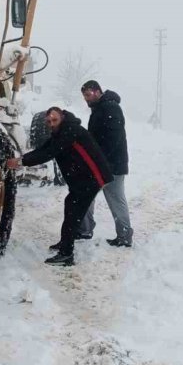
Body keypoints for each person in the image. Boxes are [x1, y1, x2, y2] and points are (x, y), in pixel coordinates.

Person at [7, 107, 113, 266]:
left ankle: (66, 254)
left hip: (91, 179)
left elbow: (49, 152)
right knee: (70, 207)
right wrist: (23, 158)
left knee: (72, 213)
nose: (51, 124)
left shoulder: (70, 130)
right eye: (49, 121)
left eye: (54, 120)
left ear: (62, 117)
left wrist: (21, 162)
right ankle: (65, 244)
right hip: (82, 179)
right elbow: (44, 148)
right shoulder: (61, 131)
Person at [77, 80, 133, 246]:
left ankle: (124, 235)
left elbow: (112, 139)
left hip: (112, 165)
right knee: (86, 194)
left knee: (116, 200)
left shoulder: (110, 108)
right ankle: (84, 230)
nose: (86, 99)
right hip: (101, 164)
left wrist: (101, 160)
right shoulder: (101, 108)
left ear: (97, 91)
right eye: (84, 96)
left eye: (88, 95)